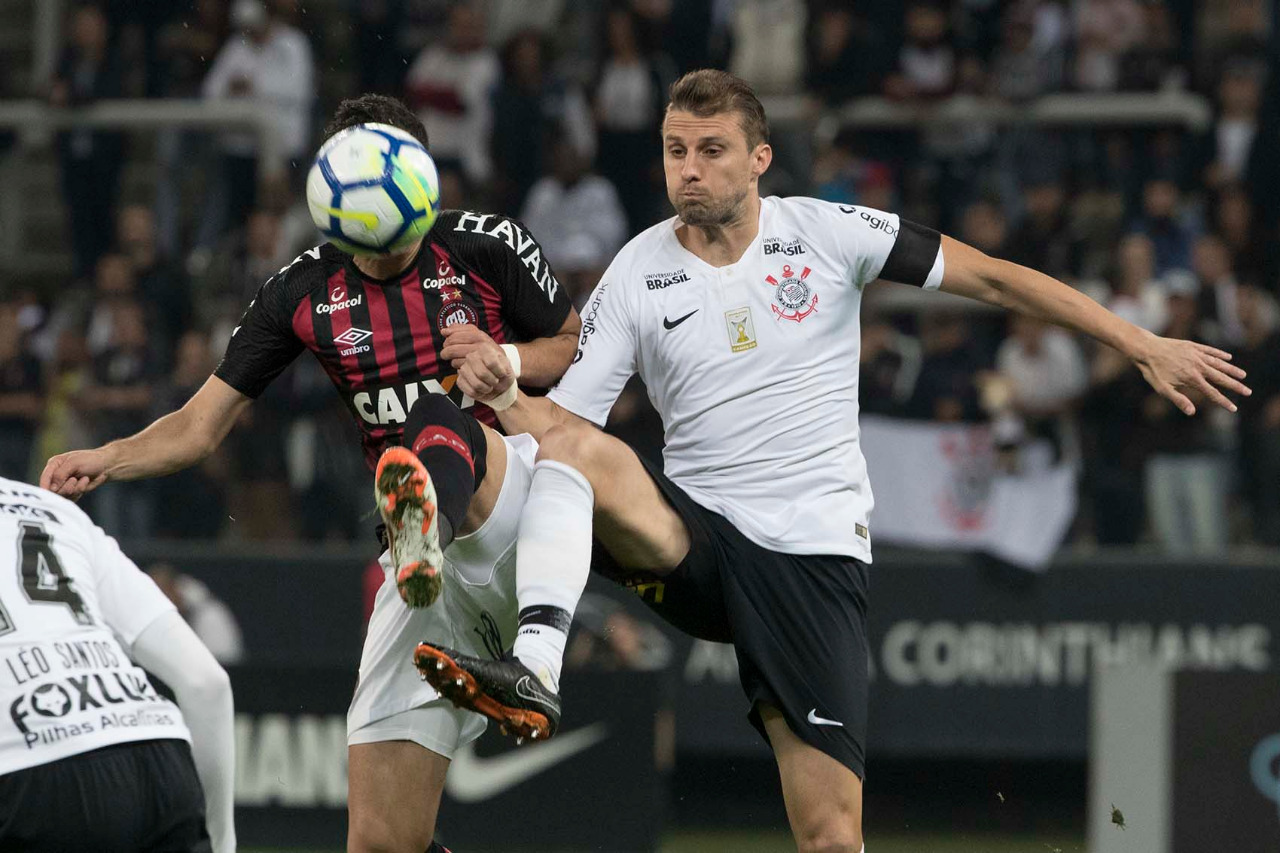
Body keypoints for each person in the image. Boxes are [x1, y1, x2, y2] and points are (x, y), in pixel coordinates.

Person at [416, 69, 1252, 853]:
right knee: (547, 443)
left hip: (810, 555)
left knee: (830, 834)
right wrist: (499, 378)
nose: (690, 170)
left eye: (711, 150)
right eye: (676, 151)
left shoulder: (827, 232)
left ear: (759, 158)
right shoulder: (636, 269)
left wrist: (1139, 342)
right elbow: (566, 426)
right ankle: (527, 655)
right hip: (694, 540)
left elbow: (994, 280)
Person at [40, 93, 580, 853]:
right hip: (416, 565)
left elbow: (572, 341)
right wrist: (108, 456)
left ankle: (428, 508)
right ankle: (419, 527)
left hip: (515, 499)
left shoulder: (484, 242)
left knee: (443, 420)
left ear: (418, 178)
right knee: (380, 839)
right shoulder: (299, 292)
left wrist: (510, 361)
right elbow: (200, 425)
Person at [0, 476, 234, 852]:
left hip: (30, 771)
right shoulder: (52, 509)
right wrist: (222, 842)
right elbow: (207, 683)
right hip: (158, 758)